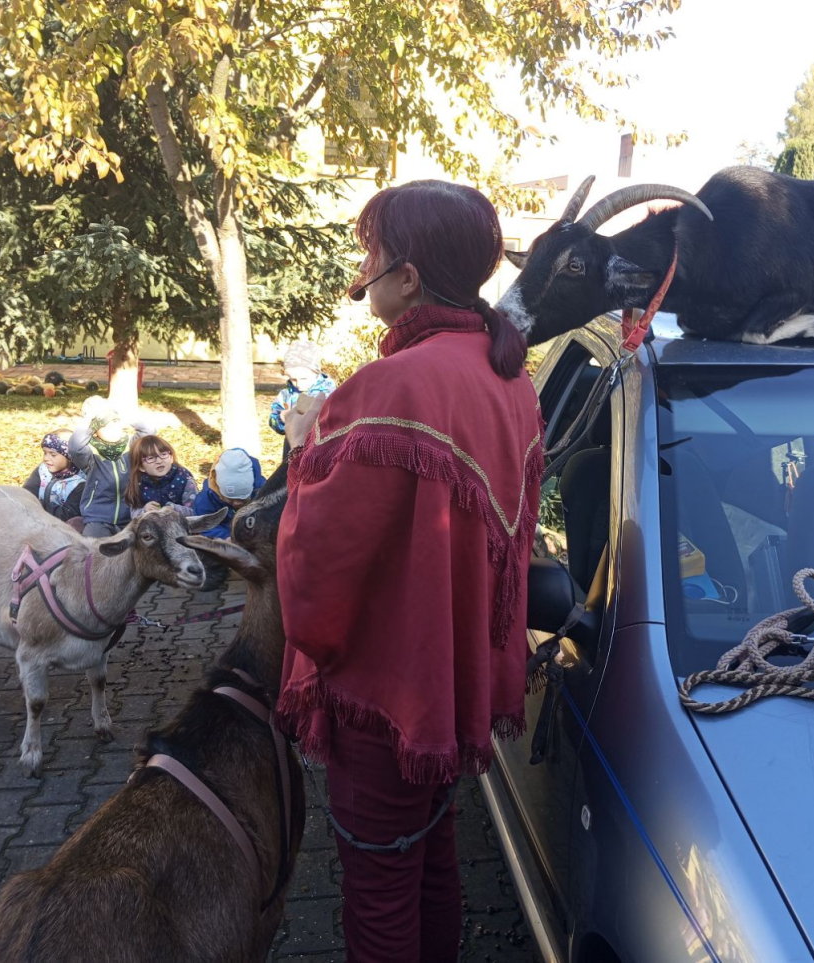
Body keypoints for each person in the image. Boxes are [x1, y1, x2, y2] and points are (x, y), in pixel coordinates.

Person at [274, 180, 543, 963]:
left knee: (381, 888)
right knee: (431, 853)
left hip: (385, 692)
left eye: (372, 254)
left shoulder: (391, 386)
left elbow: (316, 566)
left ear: (410, 275)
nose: (364, 270)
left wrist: (302, 451)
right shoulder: (507, 374)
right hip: (454, 678)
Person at [68, 396, 156, 538]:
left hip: (131, 515)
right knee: (94, 547)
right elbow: (75, 447)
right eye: (104, 425)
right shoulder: (91, 453)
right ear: (94, 430)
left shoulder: (130, 445)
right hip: (98, 519)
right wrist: (88, 418)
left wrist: (127, 414)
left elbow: (149, 430)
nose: (112, 428)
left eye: (115, 421)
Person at [190, 447, 263, 590]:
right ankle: (215, 571)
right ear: (219, 489)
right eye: (230, 499)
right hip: (223, 536)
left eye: (242, 499)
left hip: (251, 533)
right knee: (206, 549)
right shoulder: (206, 499)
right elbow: (205, 524)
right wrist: (225, 537)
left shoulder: (260, 490)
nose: (236, 503)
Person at [268, 340, 338, 458]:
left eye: (304, 379)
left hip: (321, 448)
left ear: (316, 372)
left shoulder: (328, 392)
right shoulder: (286, 395)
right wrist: (281, 419)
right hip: (292, 447)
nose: (299, 384)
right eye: (293, 379)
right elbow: (273, 419)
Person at [22, 429, 86, 528]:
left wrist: (37, 506)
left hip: (61, 528)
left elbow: (67, 514)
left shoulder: (79, 483)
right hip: (34, 519)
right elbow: (27, 493)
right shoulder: (42, 471)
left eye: (53, 455)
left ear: (70, 456)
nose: (46, 458)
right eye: (45, 453)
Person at [125, 434, 197, 519]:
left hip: (180, 525)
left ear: (171, 457)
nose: (159, 461)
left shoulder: (184, 479)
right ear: (141, 467)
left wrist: (173, 509)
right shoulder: (138, 483)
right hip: (152, 526)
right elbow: (134, 514)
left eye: (163, 454)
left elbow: (195, 512)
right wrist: (144, 511)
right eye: (150, 458)